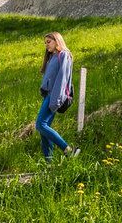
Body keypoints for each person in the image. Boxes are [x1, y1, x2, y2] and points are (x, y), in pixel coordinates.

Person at [36, 32, 80, 161]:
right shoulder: (53, 57)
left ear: (57, 41)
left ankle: (68, 150)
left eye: (48, 42)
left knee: (40, 125)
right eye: (45, 43)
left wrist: (56, 99)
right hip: (48, 95)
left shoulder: (64, 55)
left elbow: (62, 79)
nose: (46, 45)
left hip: (54, 96)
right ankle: (49, 162)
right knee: (44, 130)